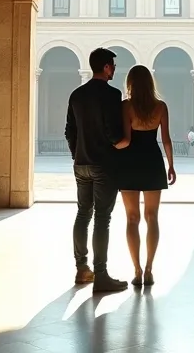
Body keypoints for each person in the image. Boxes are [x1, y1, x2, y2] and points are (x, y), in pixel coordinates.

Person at [64, 47, 129, 292]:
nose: (114, 69)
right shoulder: (112, 95)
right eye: (112, 65)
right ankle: (101, 275)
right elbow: (113, 132)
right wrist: (122, 142)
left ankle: (82, 270)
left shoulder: (76, 95)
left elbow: (70, 131)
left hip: (81, 165)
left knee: (83, 214)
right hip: (104, 165)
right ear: (105, 67)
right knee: (103, 218)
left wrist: (77, 154)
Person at [111, 65, 177, 287]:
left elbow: (126, 140)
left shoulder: (126, 107)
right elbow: (166, 140)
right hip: (152, 162)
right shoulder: (160, 107)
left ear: (130, 83)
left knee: (131, 218)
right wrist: (171, 165)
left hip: (129, 163)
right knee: (152, 217)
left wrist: (108, 150)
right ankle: (149, 269)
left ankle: (136, 270)